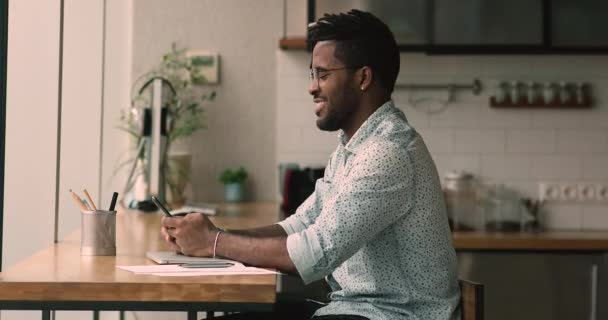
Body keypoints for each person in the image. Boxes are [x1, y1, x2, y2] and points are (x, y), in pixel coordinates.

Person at [161, 9, 460, 320]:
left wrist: (213, 243)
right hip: (353, 311)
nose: (312, 87)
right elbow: (300, 225)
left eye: (324, 74)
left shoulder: (387, 152)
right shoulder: (352, 149)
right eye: (312, 74)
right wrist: (214, 235)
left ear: (363, 78)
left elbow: (312, 255)